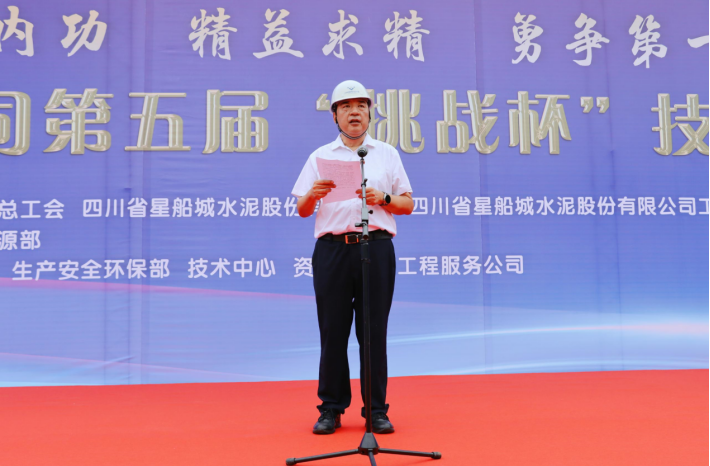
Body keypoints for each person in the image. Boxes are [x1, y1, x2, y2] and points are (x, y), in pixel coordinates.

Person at [291, 80, 414, 435]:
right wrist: (313, 195)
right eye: (346, 107)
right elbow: (302, 210)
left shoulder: (386, 154)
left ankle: (376, 410)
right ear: (335, 116)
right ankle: (331, 408)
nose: (354, 112)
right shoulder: (320, 156)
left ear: (370, 114)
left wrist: (383, 199)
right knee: (333, 331)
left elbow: (407, 203)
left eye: (361, 106)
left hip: (375, 246)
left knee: (373, 332)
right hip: (332, 250)